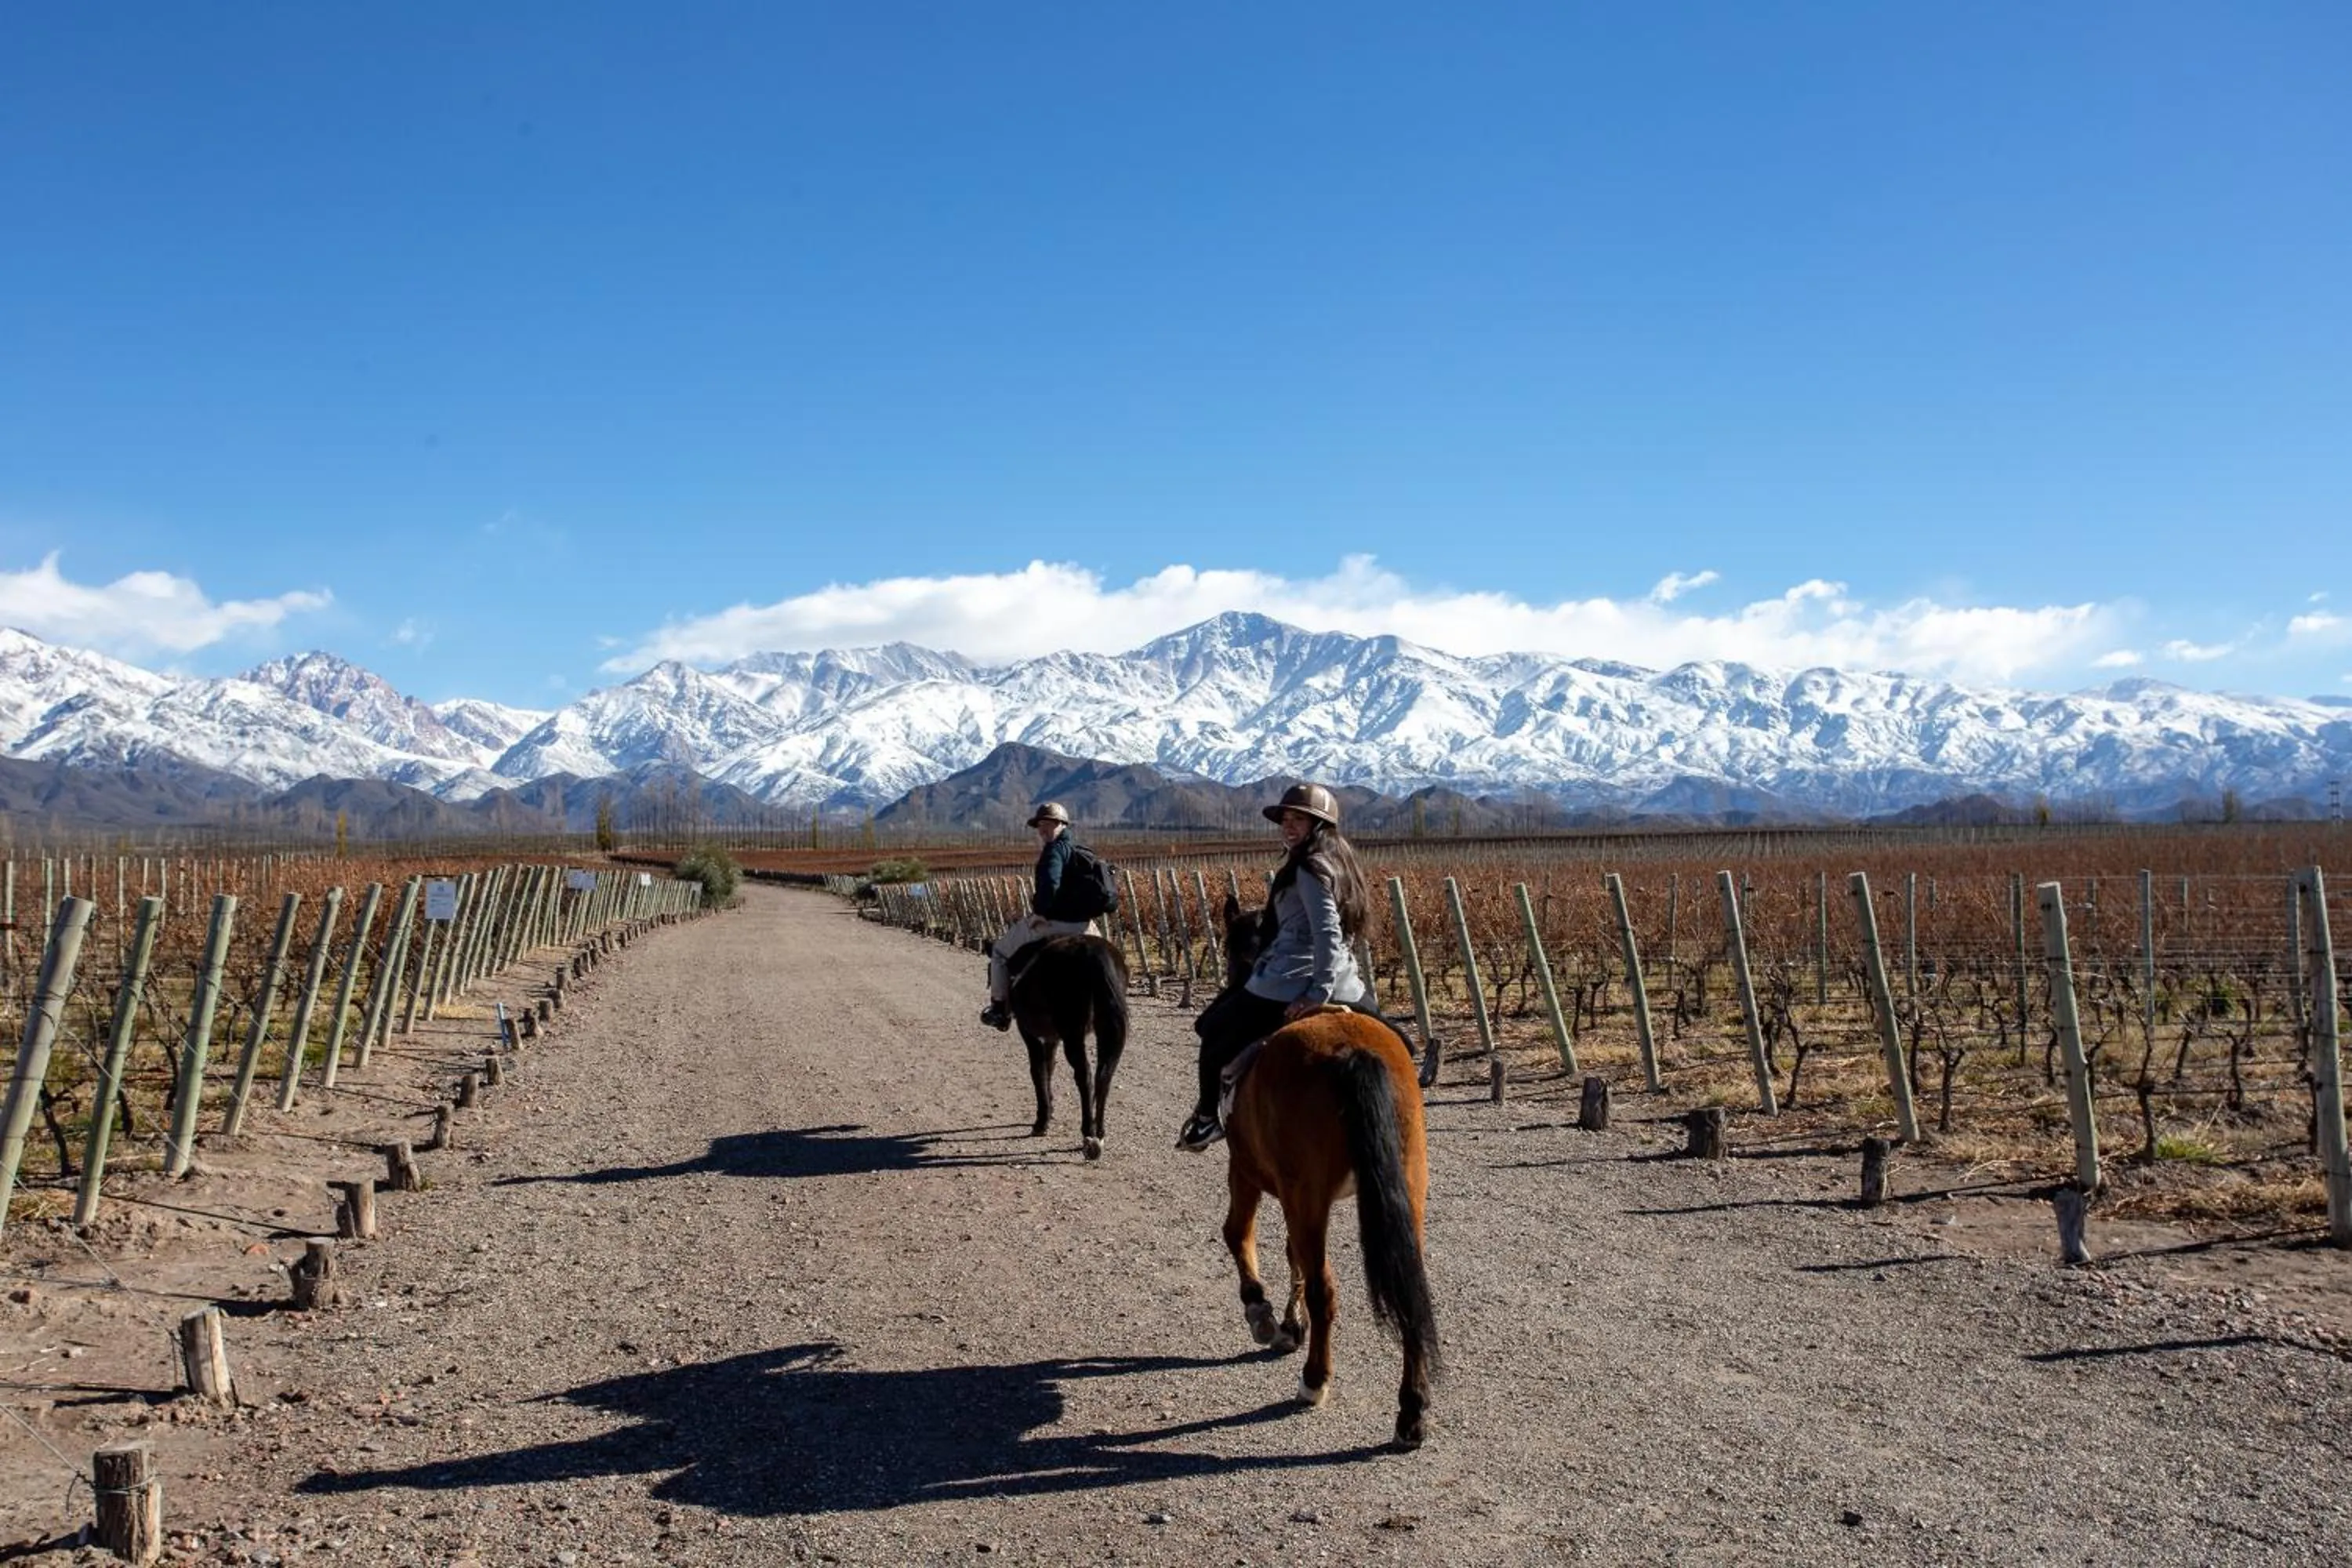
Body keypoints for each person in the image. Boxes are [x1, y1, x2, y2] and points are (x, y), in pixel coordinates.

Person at [1176, 782, 1380, 1150]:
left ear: (1319, 826)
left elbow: (1325, 931)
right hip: (1348, 982)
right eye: (1286, 818)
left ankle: (1207, 1119)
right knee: (1393, 1039)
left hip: (1290, 981)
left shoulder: (1309, 868)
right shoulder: (1342, 863)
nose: (1289, 826)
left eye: (1299, 819)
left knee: (1213, 1030)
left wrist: (1317, 993)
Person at [979, 802, 1099, 1030]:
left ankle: (998, 1009)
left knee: (1000, 952)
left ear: (1062, 824)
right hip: (1086, 925)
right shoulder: (1082, 851)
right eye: (1040, 825)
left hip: (1053, 923)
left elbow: (1051, 884)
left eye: (1048, 824)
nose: (1043, 830)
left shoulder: (1054, 850)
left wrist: (1040, 913)